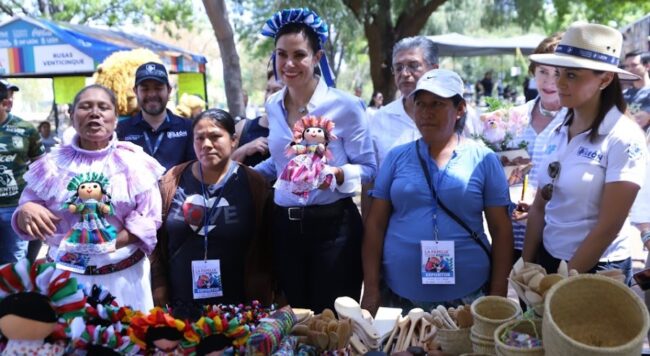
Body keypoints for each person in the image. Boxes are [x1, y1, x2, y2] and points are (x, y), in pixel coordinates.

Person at [361, 69, 513, 314]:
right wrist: (370, 289)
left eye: (437, 104)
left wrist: (497, 295)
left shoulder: (484, 159)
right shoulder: (396, 157)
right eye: (420, 104)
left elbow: (501, 230)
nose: (426, 113)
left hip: (468, 298)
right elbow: (375, 225)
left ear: (460, 109)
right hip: (400, 297)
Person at [257, 8, 376, 312]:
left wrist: (336, 174)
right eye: (281, 55)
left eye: (299, 55)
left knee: (333, 323)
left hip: (333, 230)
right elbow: (281, 162)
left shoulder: (347, 106)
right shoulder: (273, 105)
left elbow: (369, 167)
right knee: (295, 319)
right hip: (284, 228)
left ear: (317, 56)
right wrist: (237, 172)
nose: (289, 63)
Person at [11, 84, 164, 311]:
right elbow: (26, 209)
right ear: (72, 116)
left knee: (129, 343)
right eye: (85, 107)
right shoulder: (50, 165)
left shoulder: (135, 162)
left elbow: (149, 217)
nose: (95, 113)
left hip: (124, 279)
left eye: (103, 107)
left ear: (115, 117)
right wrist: (25, 211)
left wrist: (104, 244)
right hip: (66, 280)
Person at [522, 22, 647, 284]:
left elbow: (607, 228)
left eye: (572, 75)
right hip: (550, 261)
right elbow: (540, 206)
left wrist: (560, 284)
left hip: (598, 268)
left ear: (605, 79)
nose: (559, 83)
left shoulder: (623, 136)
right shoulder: (559, 125)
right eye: (559, 73)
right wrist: (527, 266)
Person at [151, 109, 273, 320]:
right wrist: (159, 287)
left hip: (240, 310)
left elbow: (269, 244)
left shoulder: (254, 184)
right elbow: (154, 242)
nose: (206, 144)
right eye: (199, 138)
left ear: (234, 140)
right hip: (180, 309)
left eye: (215, 136)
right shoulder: (171, 181)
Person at [496, 33, 566, 262]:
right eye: (542, 71)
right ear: (533, 72)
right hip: (512, 236)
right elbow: (505, 174)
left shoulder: (575, 121)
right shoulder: (512, 118)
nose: (549, 81)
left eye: (557, 73)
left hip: (556, 241)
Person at [363, 36, 439, 218]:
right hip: (395, 228)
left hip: (450, 229)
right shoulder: (379, 119)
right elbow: (370, 182)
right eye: (398, 68)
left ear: (434, 69)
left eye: (413, 65)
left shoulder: (459, 117)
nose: (404, 73)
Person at [116, 62, 195, 171]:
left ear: (169, 90)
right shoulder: (121, 130)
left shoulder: (188, 128)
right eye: (145, 89)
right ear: (135, 91)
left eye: (158, 88)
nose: (152, 94)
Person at [0, 81, 45, 264]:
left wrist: (40, 202)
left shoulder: (25, 129)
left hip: (15, 208)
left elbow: (41, 167)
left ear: (5, 103)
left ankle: (15, 294)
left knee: (15, 263)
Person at [231, 70, 283, 167]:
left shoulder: (300, 131)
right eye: (268, 90)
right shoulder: (243, 128)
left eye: (276, 91)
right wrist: (245, 149)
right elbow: (222, 171)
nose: (268, 96)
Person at [622, 51, 650, 130]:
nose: (629, 69)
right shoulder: (623, 94)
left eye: (634, 65)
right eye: (627, 66)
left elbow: (640, 120)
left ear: (647, 66)